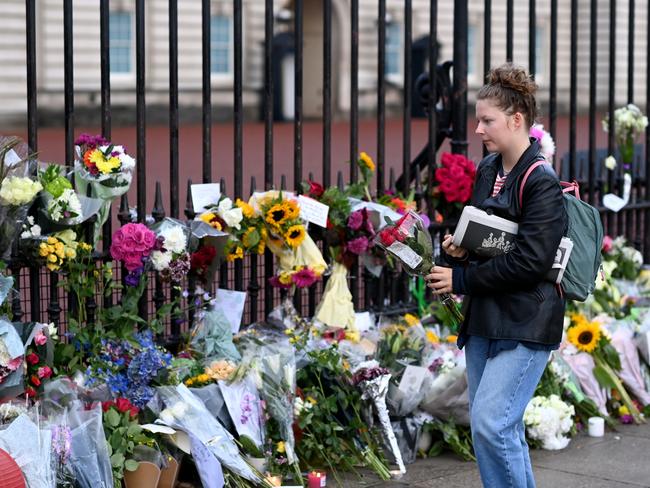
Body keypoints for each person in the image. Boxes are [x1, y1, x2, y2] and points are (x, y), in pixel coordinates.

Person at [425, 63, 568, 488]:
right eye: (478, 119)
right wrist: (462, 250)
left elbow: (531, 263)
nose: (478, 129)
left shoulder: (541, 181)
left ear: (516, 119)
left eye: (487, 120)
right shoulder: (488, 169)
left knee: (490, 423)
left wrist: (461, 281)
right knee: (500, 429)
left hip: (527, 320)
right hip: (488, 315)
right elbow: (488, 237)